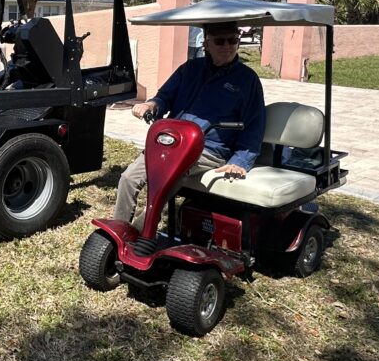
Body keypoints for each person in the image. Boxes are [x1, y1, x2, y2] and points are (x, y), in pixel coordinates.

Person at [113, 21, 266, 224]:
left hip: (209, 150)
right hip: (172, 141)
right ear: (206, 44)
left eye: (233, 40)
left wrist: (239, 162)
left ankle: (140, 235)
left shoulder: (248, 80)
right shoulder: (189, 69)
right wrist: (151, 105)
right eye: (220, 41)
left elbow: (254, 125)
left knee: (164, 185)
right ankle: (118, 230)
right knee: (129, 179)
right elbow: (165, 97)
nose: (228, 46)